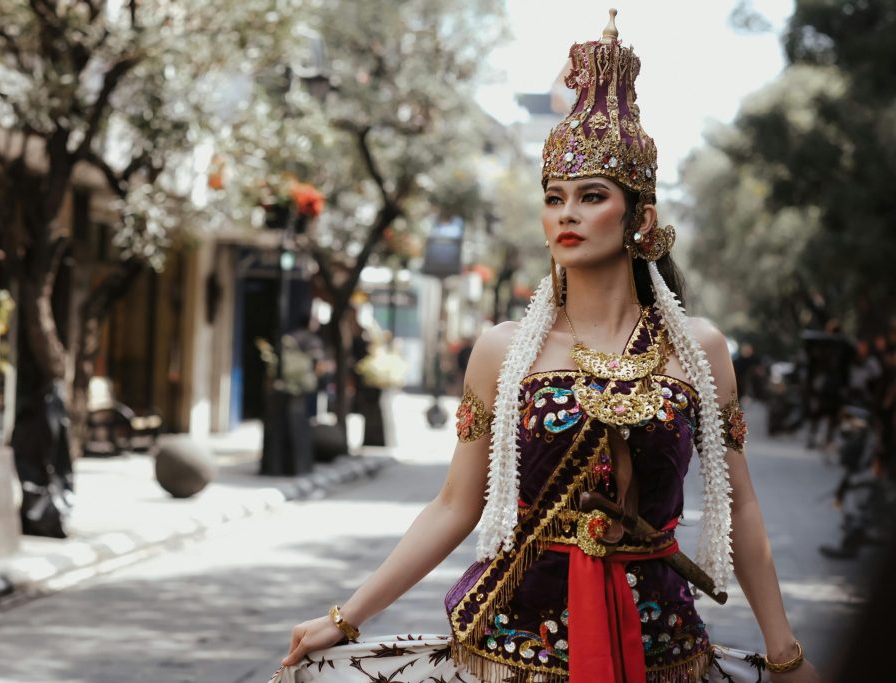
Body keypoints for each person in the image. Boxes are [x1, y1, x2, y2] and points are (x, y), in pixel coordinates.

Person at [274, 12, 818, 683]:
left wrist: (785, 650)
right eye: (554, 197)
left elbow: (743, 507)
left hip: (662, 651)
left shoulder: (698, 349)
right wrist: (347, 615)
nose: (567, 213)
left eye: (591, 196)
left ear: (640, 218)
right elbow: (454, 505)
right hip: (514, 653)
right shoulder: (502, 349)